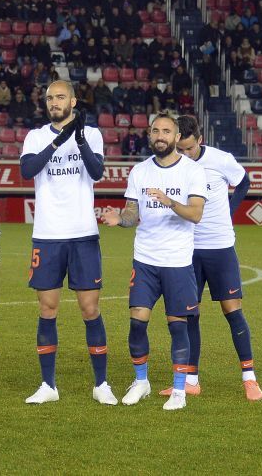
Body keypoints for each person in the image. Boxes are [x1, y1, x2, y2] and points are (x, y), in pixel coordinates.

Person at [100, 113, 207, 411]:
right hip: (145, 259)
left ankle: (178, 391)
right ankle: (142, 381)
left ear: (175, 137)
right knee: (137, 323)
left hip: (177, 261)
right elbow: (133, 213)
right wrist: (120, 219)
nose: (160, 135)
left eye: (166, 131)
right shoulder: (139, 172)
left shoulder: (192, 171)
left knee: (177, 327)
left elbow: (196, 214)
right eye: (155, 130)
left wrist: (169, 201)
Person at [18, 80, 116, 405]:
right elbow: (27, 169)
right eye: (50, 98)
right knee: (48, 308)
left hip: (83, 234)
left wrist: (79, 139)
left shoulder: (92, 134)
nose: (54, 102)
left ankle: (101, 384)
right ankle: (48, 385)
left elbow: (97, 171)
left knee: (90, 309)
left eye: (60, 97)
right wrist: (59, 141)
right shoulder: (35, 136)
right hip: (47, 235)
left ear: (73, 101)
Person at [168, 116, 262, 401]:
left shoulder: (221, 160)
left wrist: (229, 211)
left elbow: (244, 181)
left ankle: (249, 378)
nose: (184, 155)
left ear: (200, 140)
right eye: (179, 149)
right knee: (189, 313)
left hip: (220, 247)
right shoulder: (172, 164)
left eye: (188, 149)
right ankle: (191, 380)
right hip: (188, 250)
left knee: (232, 311)